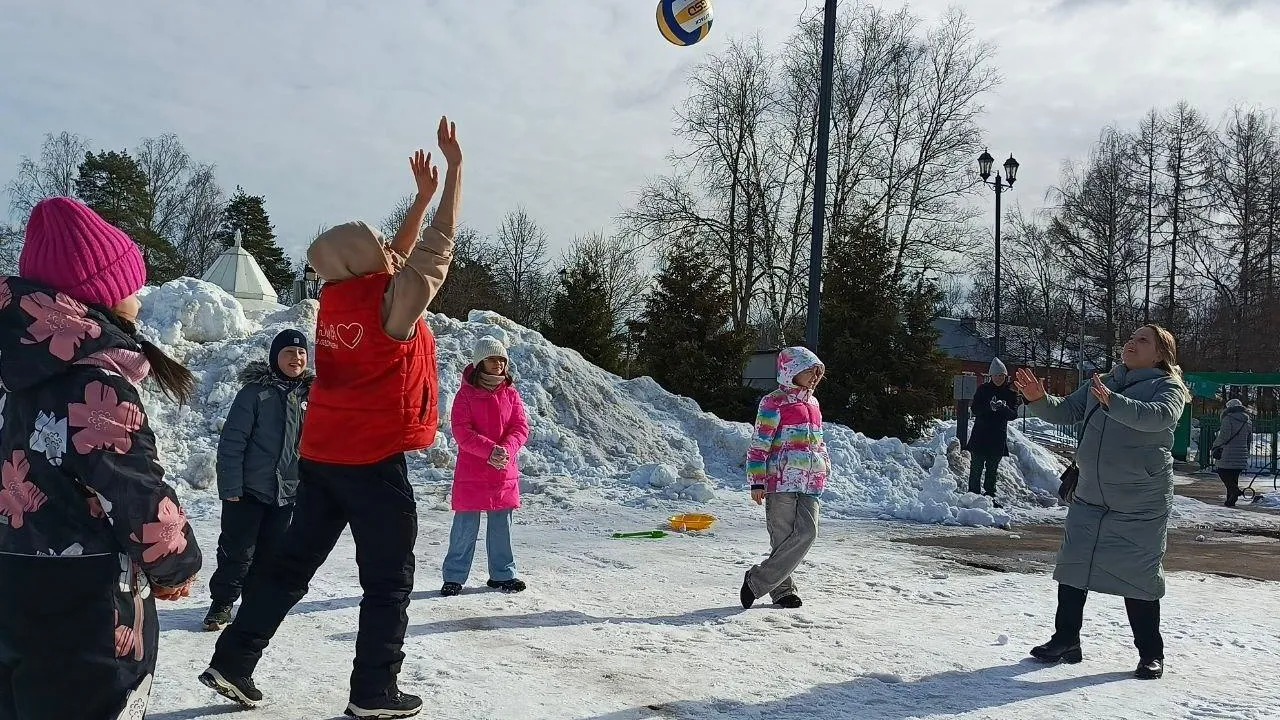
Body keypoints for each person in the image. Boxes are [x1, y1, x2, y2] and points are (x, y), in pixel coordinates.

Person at [201, 117, 462, 719]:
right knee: (387, 580)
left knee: (289, 566)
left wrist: (418, 198)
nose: (394, 252)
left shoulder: (337, 301)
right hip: (372, 462)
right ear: (374, 264)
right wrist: (454, 175)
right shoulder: (392, 308)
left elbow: (399, 257)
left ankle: (233, 661)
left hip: (322, 456)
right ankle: (374, 692)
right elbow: (436, 250)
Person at [0, 197, 202, 720]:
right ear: (99, 295)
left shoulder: (13, 376)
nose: (137, 295)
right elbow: (134, 489)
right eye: (130, 283)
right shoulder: (95, 383)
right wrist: (174, 562)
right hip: (84, 607)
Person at [1014, 324, 1189, 681]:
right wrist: (1038, 399)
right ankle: (1066, 641)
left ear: (1160, 353)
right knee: (1073, 566)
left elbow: (1159, 417)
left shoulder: (1168, 387)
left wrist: (1115, 401)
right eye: (1131, 337)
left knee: (1137, 576)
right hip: (1090, 494)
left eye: (1143, 340)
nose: (1132, 343)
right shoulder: (1104, 380)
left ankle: (1151, 653)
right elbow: (1066, 412)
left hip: (1140, 500)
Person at [204, 329, 314, 630]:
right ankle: (222, 603)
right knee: (237, 551)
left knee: (272, 553)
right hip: (248, 490)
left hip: (287, 492)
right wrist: (230, 487)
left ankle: (254, 605)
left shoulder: (311, 396)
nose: (297, 358)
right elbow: (232, 441)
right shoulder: (255, 394)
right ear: (275, 357)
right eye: (289, 353)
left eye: (301, 352)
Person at [740, 346, 830, 611]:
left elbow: (818, 440)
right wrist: (757, 480)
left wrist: (824, 464)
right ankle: (783, 591)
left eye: (817, 372)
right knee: (782, 538)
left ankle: (757, 580)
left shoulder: (813, 403)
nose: (814, 377)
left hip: (811, 481)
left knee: (808, 532)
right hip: (780, 481)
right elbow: (759, 444)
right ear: (791, 371)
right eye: (809, 371)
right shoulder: (773, 402)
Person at [441, 336, 530, 597]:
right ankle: (454, 577)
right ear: (480, 362)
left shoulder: (511, 393)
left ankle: (503, 574)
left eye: (502, 359)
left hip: (503, 469)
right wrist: (488, 450)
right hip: (473, 469)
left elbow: (520, 427)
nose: (499, 363)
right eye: (493, 359)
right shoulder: (465, 394)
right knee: (465, 526)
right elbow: (461, 430)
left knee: (502, 525)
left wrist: (506, 449)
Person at [964, 357, 1020, 505]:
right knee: (976, 467)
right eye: (996, 375)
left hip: (997, 437)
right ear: (991, 376)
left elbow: (1013, 415)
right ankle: (973, 495)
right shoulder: (983, 390)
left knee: (992, 469)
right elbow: (975, 409)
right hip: (980, 436)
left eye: (1001, 375)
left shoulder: (1010, 393)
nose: (998, 378)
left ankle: (990, 496)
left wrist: (1003, 408)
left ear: (1005, 376)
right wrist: (989, 407)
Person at [1211, 398, 1253, 507]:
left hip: (1228, 451)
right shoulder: (1247, 420)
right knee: (1234, 476)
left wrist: (1215, 445)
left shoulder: (1228, 419)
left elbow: (1224, 436)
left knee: (1222, 472)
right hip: (1241, 452)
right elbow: (1249, 438)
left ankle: (1235, 492)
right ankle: (1231, 500)